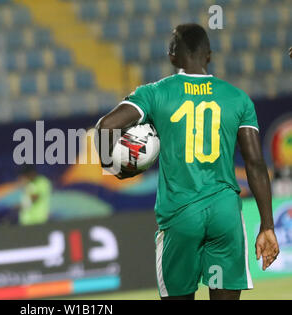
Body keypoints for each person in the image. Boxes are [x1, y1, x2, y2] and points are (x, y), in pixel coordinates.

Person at [95, 24, 279, 300]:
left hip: (181, 214)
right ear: (209, 56)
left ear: (172, 55)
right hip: (225, 214)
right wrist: (267, 225)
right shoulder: (238, 98)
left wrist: (115, 167)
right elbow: (255, 164)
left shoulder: (155, 93)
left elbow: (106, 125)